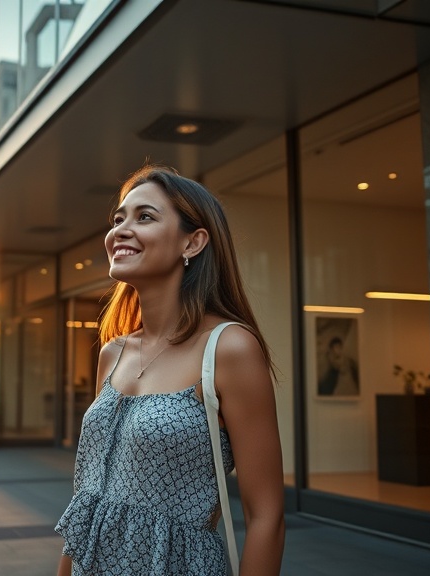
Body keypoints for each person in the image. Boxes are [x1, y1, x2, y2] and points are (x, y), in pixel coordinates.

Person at [55, 165, 284, 575]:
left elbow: (266, 517)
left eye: (144, 217)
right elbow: (87, 504)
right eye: (118, 219)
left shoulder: (229, 348)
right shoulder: (113, 353)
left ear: (192, 242)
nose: (120, 231)